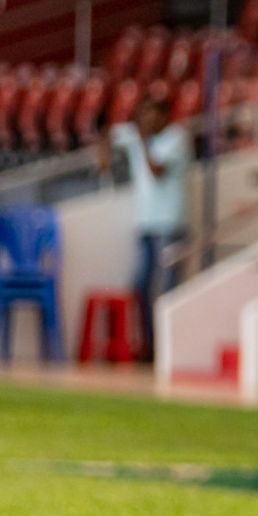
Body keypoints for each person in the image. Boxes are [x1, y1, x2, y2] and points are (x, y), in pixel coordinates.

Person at [96, 95, 192, 362]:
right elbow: (105, 134)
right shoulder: (138, 134)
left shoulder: (176, 137)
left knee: (170, 288)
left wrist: (144, 139)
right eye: (144, 114)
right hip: (146, 224)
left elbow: (156, 171)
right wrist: (103, 160)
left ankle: (171, 349)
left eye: (153, 114)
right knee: (139, 285)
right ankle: (150, 348)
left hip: (171, 225)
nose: (147, 120)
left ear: (166, 116)